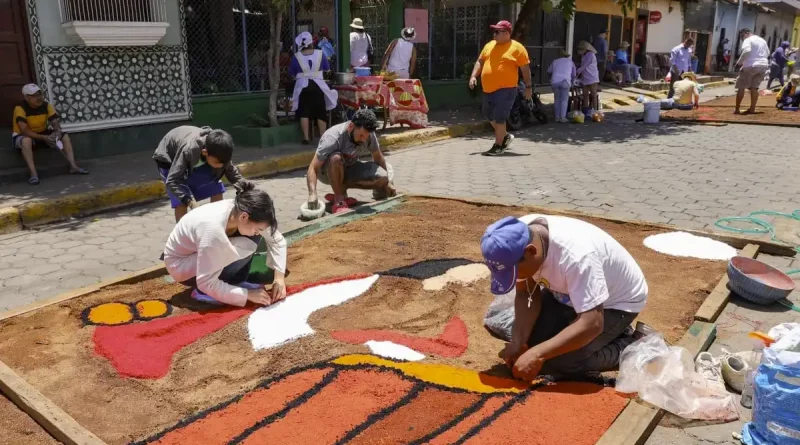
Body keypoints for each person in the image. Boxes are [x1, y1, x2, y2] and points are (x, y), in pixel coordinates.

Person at [481, 214, 648, 380]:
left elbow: (592, 322)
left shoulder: (577, 258)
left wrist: (538, 354)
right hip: (567, 294)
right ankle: (612, 332)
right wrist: (518, 341)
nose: (514, 277)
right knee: (530, 342)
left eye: (514, 272)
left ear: (531, 251)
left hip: (614, 304)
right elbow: (526, 293)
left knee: (560, 362)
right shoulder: (515, 238)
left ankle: (636, 345)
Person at [163, 180, 287, 307]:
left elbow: (277, 240)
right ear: (244, 217)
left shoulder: (240, 209)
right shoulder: (213, 229)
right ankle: (204, 293)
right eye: (258, 228)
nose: (258, 232)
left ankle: (234, 282)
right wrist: (247, 295)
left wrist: (279, 278)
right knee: (242, 242)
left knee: (252, 238)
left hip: (200, 256)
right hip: (182, 267)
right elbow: (206, 282)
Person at [306, 109, 395, 214]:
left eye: (365, 137)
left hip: (349, 167)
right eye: (361, 135)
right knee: (336, 158)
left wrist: (388, 182)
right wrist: (312, 193)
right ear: (351, 126)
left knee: (383, 176)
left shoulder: (368, 135)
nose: (363, 140)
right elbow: (313, 167)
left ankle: (342, 190)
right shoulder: (332, 137)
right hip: (326, 172)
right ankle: (339, 200)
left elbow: (378, 157)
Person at [153, 126, 243, 223]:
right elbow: (173, 181)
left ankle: (216, 223)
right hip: (169, 160)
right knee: (181, 202)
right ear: (205, 152)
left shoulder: (219, 150)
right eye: (217, 163)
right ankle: (182, 234)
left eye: (224, 162)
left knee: (216, 190)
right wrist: (190, 202)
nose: (221, 165)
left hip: (194, 159)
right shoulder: (189, 150)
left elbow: (232, 172)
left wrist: (245, 189)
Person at [468, 20, 532, 156]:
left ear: (507, 33)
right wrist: (473, 76)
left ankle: (498, 145)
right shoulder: (489, 45)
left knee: (499, 117)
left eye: (497, 31)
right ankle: (505, 136)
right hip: (488, 89)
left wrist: (528, 87)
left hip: (506, 89)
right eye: (494, 31)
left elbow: (525, 69)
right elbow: (480, 61)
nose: (494, 34)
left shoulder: (517, 48)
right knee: (487, 112)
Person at [11, 84, 89, 185]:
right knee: (26, 140)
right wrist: (44, 137)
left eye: (40, 94)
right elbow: (24, 130)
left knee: (64, 136)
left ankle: (73, 166)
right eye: (34, 95)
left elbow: (54, 122)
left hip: (42, 133)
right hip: (23, 135)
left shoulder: (46, 105)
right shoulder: (20, 108)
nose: (38, 98)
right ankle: (34, 174)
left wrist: (57, 132)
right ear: (26, 97)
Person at [289, 32, 338, 145]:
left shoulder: (296, 56)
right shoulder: (320, 54)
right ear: (311, 42)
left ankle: (306, 137)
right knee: (320, 112)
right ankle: (322, 137)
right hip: (318, 86)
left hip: (303, 87)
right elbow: (326, 68)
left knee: (304, 112)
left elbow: (292, 73)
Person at [734, 29, 770, 115]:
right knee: (754, 87)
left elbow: (746, 51)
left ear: (746, 34)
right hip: (763, 65)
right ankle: (752, 109)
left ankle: (737, 109)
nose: (742, 39)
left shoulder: (748, 40)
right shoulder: (762, 40)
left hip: (751, 65)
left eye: (742, 36)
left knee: (741, 86)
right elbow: (768, 53)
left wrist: (739, 63)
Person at [548, 50, 576, 123]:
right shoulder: (570, 62)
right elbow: (574, 74)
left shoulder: (555, 61)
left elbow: (549, 71)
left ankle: (557, 117)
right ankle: (562, 117)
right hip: (565, 81)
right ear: (566, 56)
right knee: (564, 100)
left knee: (557, 99)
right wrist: (572, 81)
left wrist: (550, 79)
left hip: (555, 81)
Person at [576, 41, 600, 114]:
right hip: (585, 77)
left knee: (593, 94)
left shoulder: (590, 55)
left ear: (585, 49)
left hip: (592, 77)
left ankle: (595, 110)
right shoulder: (584, 55)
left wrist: (577, 72)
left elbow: (584, 66)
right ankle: (586, 110)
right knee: (585, 94)